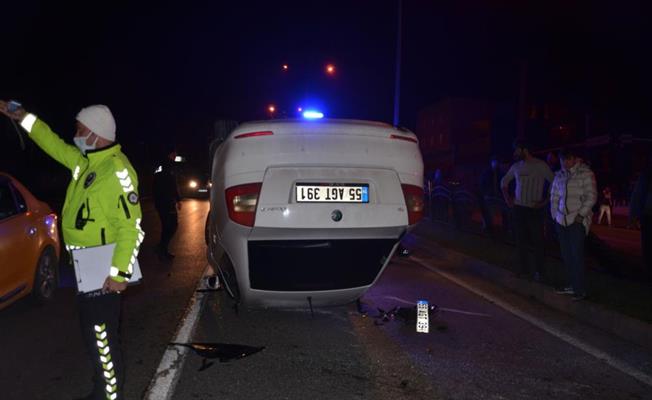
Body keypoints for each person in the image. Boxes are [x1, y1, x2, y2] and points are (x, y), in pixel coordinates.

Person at [0, 100, 143, 400]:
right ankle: (102, 386)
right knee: (94, 336)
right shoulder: (85, 163)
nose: (75, 135)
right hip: (85, 269)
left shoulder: (116, 171)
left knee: (103, 337)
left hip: (104, 272)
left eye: (80, 130)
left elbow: (132, 228)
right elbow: (50, 142)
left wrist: (119, 274)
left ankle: (109, 394)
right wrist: (23, 117)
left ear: (95, 133)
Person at [501, 140, 554, 281]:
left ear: (524, 150)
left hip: (534, 210)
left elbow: (554, 182)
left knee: (538, 242)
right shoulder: (516, 166)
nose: (514, 153)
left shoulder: (540, 165)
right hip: (519, 209)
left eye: (517, 150)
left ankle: (540, 273)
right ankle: (524, 271)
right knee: (520, 241)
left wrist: (545, 201)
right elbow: (504, 181)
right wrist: (507, 197)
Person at [550, 148, 597, 300]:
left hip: (576, 221)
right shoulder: (559, 175)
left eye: (567, 160)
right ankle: (572, 285)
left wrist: (581, 215)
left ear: (574, 159)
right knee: (567, 255)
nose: (565, 163)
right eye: (562, 160)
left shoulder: (585, 173)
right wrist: (555, 215)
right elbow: (554, 196)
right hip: (561, 221)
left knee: (577, 255)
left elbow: (591, 196)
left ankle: (580, 289)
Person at [153, 145, 182, 260]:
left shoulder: (162, 166)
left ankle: (162, 248)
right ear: (170, 154)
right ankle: (162, 249)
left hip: (161, 201)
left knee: (167, 226)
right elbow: (172, 185)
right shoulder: (168, 166)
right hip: (166, 202)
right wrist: (177, 199)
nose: (175, 157)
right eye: (174, 154)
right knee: (171, 226)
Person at [630, 156, 652, 277]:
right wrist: (634, 215)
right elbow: (638, 195)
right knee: (648, 248)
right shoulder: (647, 174)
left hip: (648, 215)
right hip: (648, 216)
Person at [479, 155, 506, 234]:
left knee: (505, 211)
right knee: (488, 211)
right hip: (489, 196)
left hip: (499, 196)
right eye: (494, 161)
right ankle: (487, 228)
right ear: (491, 162)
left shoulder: (501, 172)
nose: (496, 163)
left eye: (497, 162)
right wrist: (486, 193)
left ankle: (505, 228)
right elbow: (482, 184)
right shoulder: (486, 172)